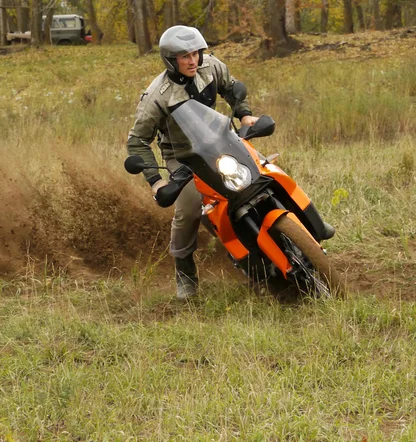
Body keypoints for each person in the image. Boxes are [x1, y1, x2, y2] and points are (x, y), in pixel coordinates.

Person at [127, 26, 336, 301]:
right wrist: (157, 181)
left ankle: (313, 226)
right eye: (184, 56)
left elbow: (232, 88)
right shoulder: (157, 96)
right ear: (170, 59)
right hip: (183, 157)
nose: (193, 61)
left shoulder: (210, 66)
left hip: (221, 141)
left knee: (268, 171)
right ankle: (185, 275)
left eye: (195, 53)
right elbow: (137, 141)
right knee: (188, 210)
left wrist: (245, 116)